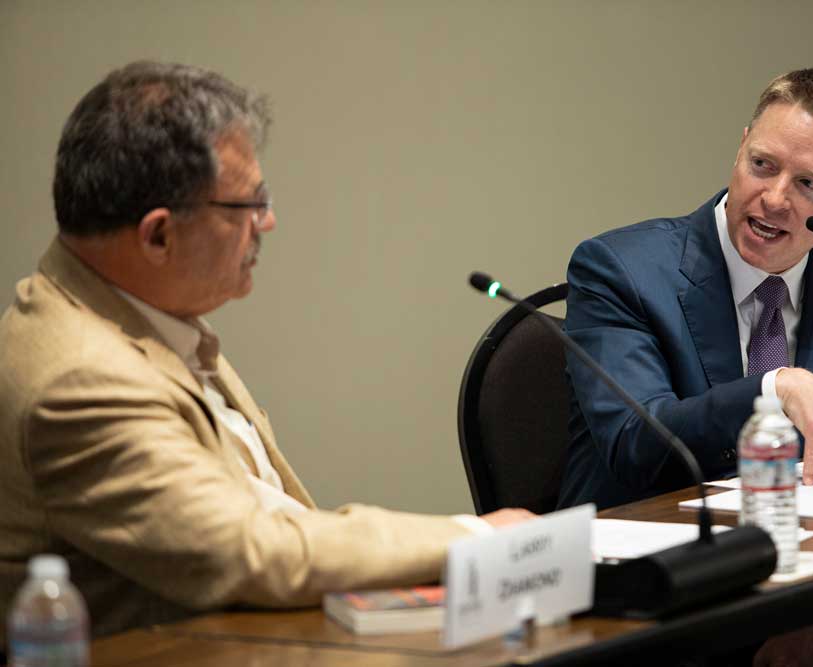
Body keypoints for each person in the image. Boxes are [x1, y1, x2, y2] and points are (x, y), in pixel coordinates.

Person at [0, 61, 530, 643]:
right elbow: (248, 551)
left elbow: (276, 519)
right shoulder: (79, 379)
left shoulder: (140, 315)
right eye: (246, 206)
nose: (268, 222)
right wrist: (474, 537)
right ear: (157, 235)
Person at [558, 68, 813, 512]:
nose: (775, 199)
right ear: (741, 148)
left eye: (807, 184)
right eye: (762, 165)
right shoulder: (621, 270)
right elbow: (635, 443)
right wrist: (772, 389)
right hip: (655, 551)